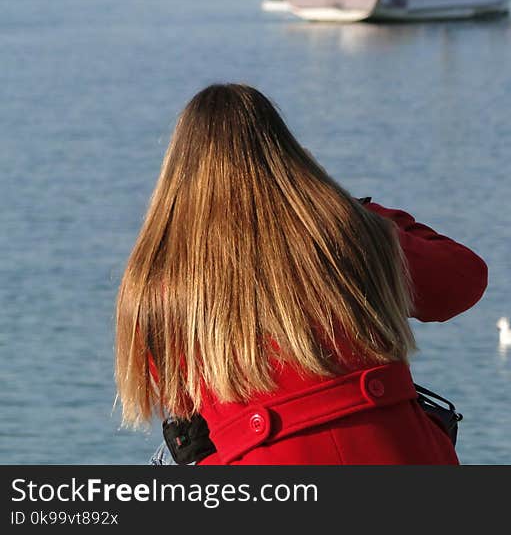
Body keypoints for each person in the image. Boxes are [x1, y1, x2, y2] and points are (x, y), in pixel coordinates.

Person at [115, 84, 488, 464]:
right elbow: (461, 281)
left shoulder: (154, 282)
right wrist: (343, 205)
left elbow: (183, 404)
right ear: (288, 156)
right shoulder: (345, 235)